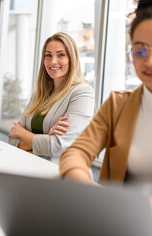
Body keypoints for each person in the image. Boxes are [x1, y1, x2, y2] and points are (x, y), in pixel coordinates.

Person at [60, 0, 152, 230]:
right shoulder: (117, 105)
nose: (150, 61)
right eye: (140, 50)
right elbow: (76, 152)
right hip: (120, 225)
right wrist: (84, 186)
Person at [9, 32, 94, 164]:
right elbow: (13, 138)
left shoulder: (82, 93)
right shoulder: (40, 92)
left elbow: (58, 146)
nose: (53, 61)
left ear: (72, 58)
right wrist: (46, 138)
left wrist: (24, 134)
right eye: (48, 55)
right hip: (27, 166)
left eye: (61, 55)